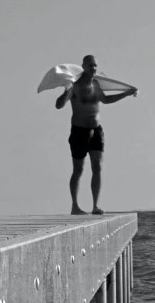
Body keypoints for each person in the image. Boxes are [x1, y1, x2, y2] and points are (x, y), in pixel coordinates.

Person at [56, 54, 137, 215]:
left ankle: (95, 206)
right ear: (83, 67)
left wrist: (126, 93)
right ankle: (75, 206)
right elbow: (59, 105)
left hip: (97, 131)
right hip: (79, 131)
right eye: (90, 65)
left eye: (95, 65)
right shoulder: (75, 85)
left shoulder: (96, 84)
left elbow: (106, 100)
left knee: (97, 167)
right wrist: (67, 90)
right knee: (78, 169)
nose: (93, 68)